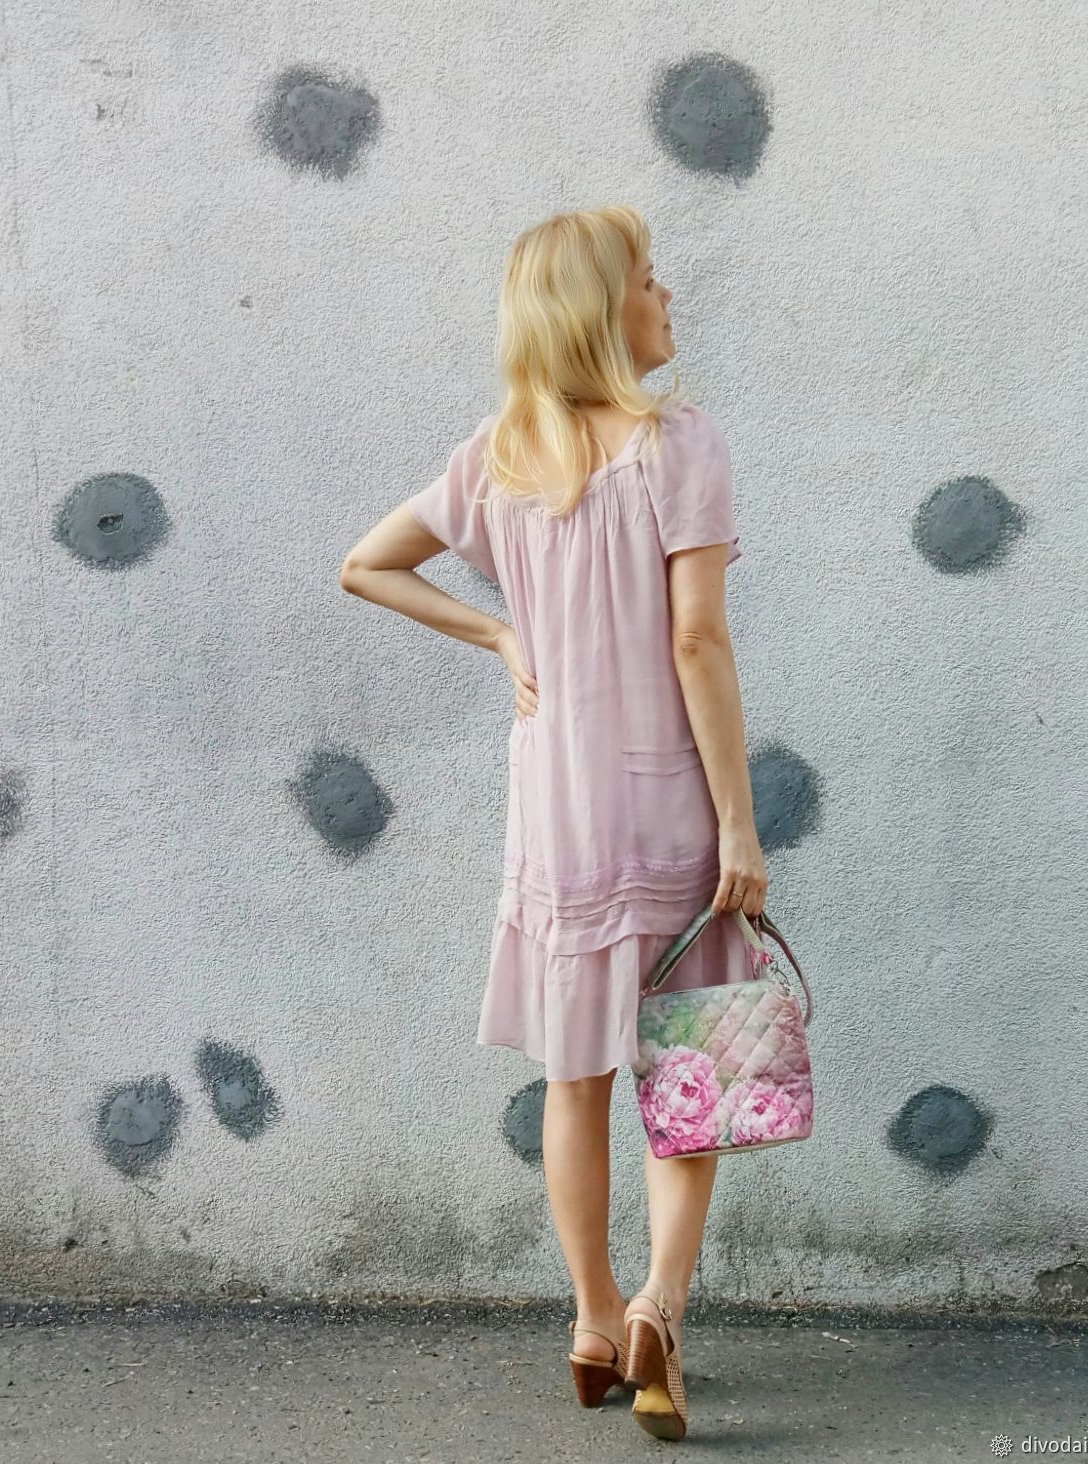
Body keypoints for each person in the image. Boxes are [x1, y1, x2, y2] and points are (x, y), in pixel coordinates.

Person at [338, 204, 768, 1442]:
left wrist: (498, 633)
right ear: (602, 311)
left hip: (558, 810)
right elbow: (698, 641)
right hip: (668, 801)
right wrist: (740, 827)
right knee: (688, 1068)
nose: (668, 296)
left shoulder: (499, 456)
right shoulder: (679, 445)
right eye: (649, 279)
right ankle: (660, 1309)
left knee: (574, 1078)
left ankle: (589, 1319)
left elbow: (367, 563)